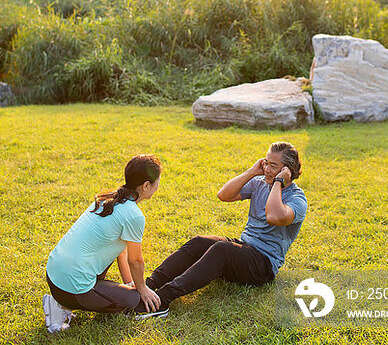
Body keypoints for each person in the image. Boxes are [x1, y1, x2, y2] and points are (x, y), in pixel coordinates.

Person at [142, 141, 307, 318]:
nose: (266, 169)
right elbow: (224, 195)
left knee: (222, 250)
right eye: (266, 162)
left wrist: (278, 183)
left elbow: (274, 216)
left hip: (263, 265)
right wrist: (252, 171)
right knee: (200, 242)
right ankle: (148, 286)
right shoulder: (260, 183)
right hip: (244, 248)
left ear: (287, 170)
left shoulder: (297, 199)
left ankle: (162, 299)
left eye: (273, 166)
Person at [43, 154, 163, 333]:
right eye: (157, 182)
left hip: (53, 275)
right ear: (146, 186)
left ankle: (62, 300)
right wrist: (141, 288)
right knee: (133, 300)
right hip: (69, 288)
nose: (158, 186)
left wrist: (129, 282)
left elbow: (120, 251)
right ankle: (59, 308)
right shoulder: (134, 214)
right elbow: (136, 261)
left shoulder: (109, 198)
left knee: (130, 291)